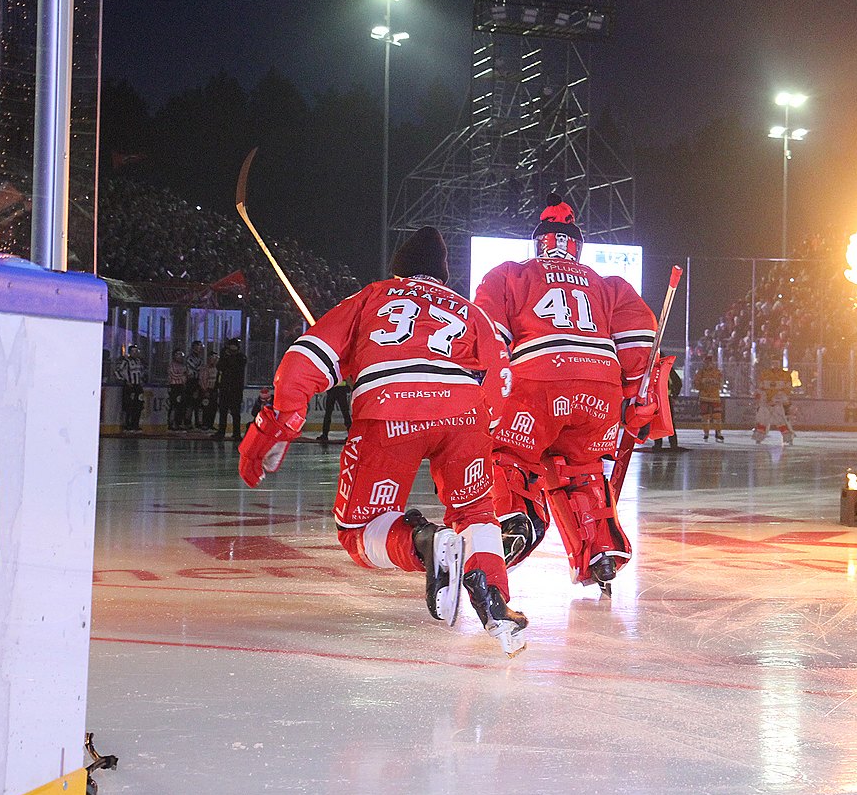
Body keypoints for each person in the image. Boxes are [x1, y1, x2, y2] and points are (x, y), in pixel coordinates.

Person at [238, 227, 526, 655]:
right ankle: (494, 600)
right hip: (465, 412)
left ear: (398, 271)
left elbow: (303, 361)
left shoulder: (374, 297)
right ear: (442, 277)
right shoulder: (469, 311)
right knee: (476, 510)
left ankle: (425, 544)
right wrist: (484, 428)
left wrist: (274, 428)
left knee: (359, 529)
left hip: (390, 412)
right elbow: (502, 376)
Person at [474, 194, 658, 593]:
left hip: (535, 385)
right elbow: (640, 345)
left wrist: (487, 394)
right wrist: (636, 398)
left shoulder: (509, 273)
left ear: (539, 241)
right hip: (600, 392)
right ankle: (601, 550)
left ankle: (516, 517)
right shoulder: (610, 284)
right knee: (585, 471)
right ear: (577, 245)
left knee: (507, 456)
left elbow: (489, 340)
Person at [751, 362, 794, 445]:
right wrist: (762, 397)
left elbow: (787, 390)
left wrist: (776, 399)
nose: (775, 365)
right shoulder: (765, 373)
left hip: (778, 402)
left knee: (780, 420)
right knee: (762, 420)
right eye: (773, 362)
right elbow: (760, 388)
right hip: (765, 401)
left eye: (777, 362)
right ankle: (759, 438)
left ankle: (788, 438)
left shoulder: (786, 375)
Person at [214, 337, 247, 441]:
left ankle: (236, 433)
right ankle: (221, 432)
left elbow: (236, 367)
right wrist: (225, 356)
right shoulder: (224, 357)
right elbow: (219, 367)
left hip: (236, 389)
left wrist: (228, 356)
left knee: (235, 412)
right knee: (223, 411)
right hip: (225, 387)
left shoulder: (241, 357)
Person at [114, 343, 147, 433]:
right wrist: (124, 380)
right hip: (130, 386)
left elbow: (142, 372)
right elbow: (117, 371)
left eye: (136, 351)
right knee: (129, 406)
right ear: (130, 352)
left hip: (138, 386)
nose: (135, 353)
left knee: (139, 406)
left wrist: (142, 380)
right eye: (133, 351)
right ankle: (128, 425)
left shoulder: (139, 361)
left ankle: (135, 425)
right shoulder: (126, 361)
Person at [651, 365, 682, 451]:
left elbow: (677, 382)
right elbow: (678, 382)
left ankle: (659, 444)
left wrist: (674, 394)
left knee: (660, 421)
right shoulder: (667, 369)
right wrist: (675, 395)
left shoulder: (656, 368)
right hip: (663, 398)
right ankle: (672, 444)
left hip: (660, 398)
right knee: (667, 421)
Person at [693, 359, 725, 442]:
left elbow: (721, 384)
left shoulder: (717, 372)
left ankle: (718, 433)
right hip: (704, 398)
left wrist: (715, 383)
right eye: (707, 362)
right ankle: (706, 433)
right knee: (705, 417)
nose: (709, 364)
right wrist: (701, 384)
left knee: (717, 417)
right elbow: (696, 384)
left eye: (710, 362)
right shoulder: (701, 372)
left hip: (715, 398)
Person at [184, 340, 207, 430]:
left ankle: (198, 422)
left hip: (198, 382)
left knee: (199, 404)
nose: (199, 349)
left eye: (200, 347)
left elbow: (201, 370)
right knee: (190, 404)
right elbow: (196, 368)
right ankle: (187, 422)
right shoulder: (189, 358)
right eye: (197, 347)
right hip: (191, 382)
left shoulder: (200, 359)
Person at [166, 350, 188, 433]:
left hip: (181, 387)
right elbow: (173, 375)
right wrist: (182, 375)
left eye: (181, 355)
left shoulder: (183, 366)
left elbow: (186, 375)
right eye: (178, 355)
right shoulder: (171, 365)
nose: (180, 357)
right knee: (174, 405)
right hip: (174, 387)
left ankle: (178, 423)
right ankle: (172, 424)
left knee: (181, 406)